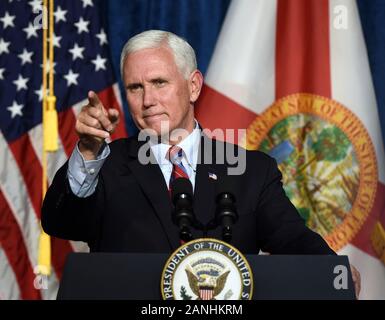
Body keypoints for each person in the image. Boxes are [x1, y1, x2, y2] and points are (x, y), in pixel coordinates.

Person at [41, 30, 360, 296]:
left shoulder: (250, 170)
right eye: (135, 88)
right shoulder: (105, 165)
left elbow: (291, 238)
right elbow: (59, 222)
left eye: (159, 83)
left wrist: (333, 271)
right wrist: (87, 150)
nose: (147, 100)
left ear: (193, 86)